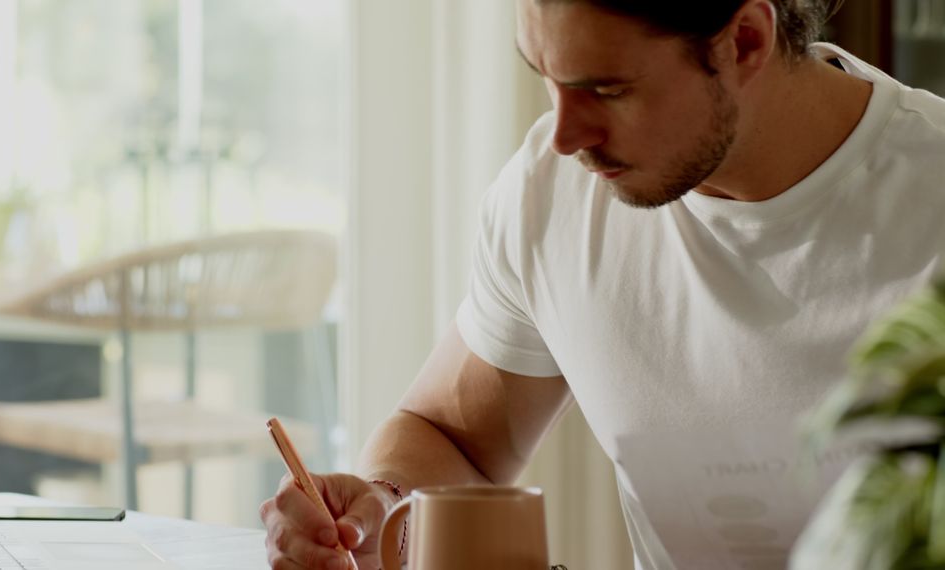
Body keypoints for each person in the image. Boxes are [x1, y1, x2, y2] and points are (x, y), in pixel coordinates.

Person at [260, 0, 945, 568]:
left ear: (744, 40)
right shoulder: (548, 192)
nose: (563, 134)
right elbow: (453, 435)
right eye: (546, 78)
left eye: (606, 89)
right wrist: (385, 504)